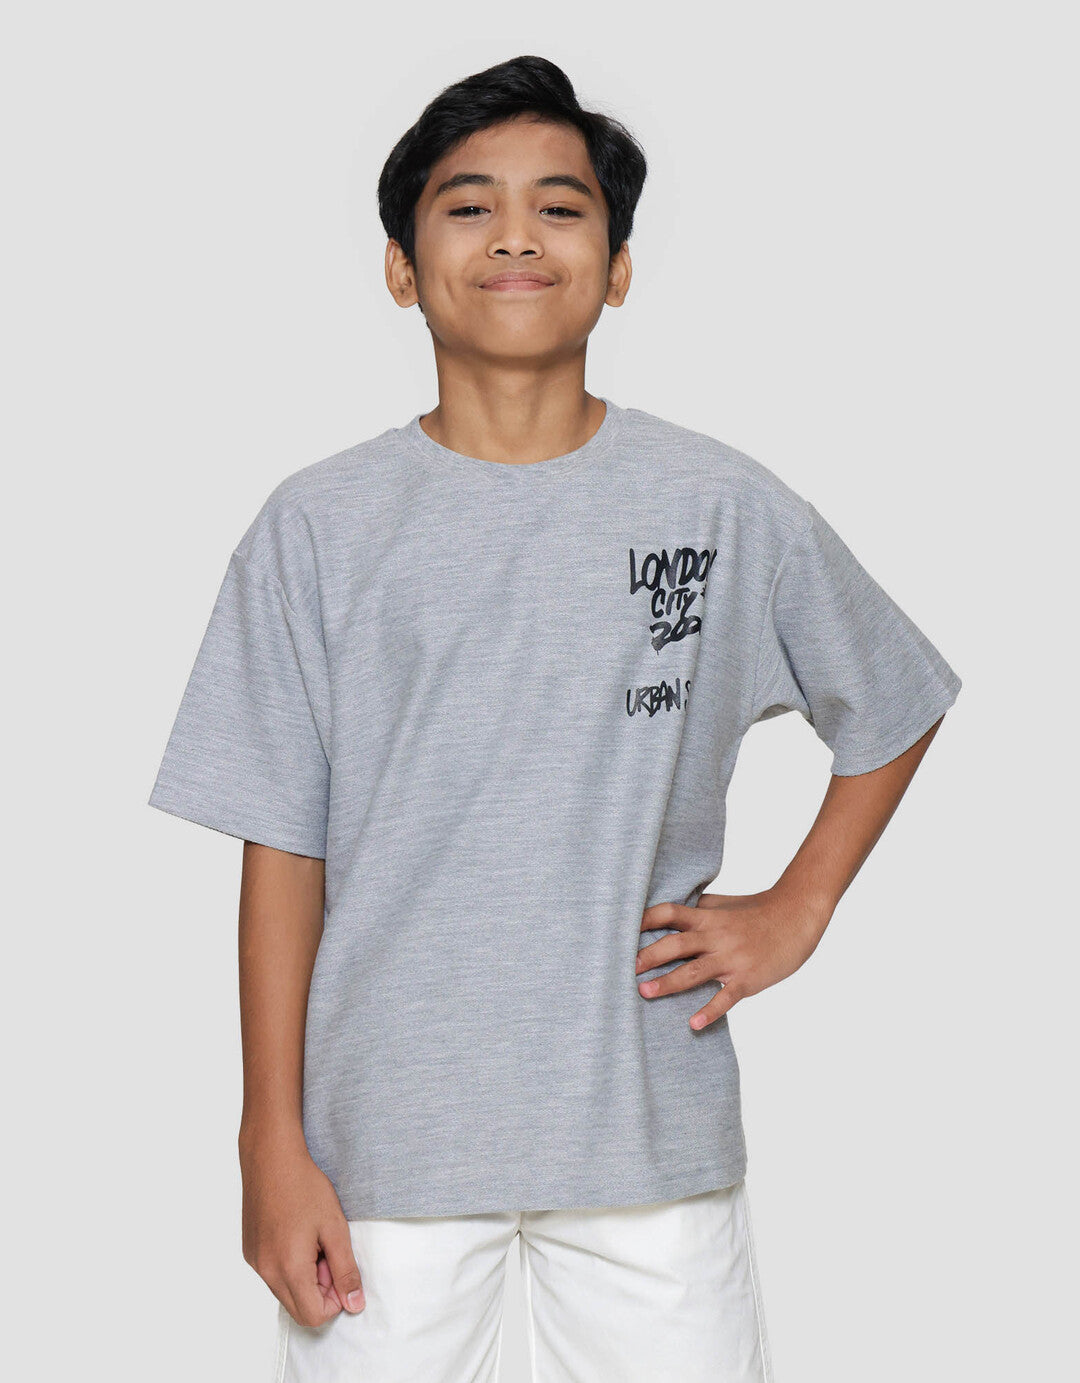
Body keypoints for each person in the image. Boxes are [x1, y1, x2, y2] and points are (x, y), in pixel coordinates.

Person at [148, 54, 962, 1383]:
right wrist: (267, 1141)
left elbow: (896, 695)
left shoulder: (716, 504)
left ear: (619, 266)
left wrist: (799, 905)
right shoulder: (318, 529)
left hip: (648, 1131)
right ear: (402, 267)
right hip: (384, 1147)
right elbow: (281, 852)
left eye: (561, 208)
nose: (516, 236)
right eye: (469, 206)